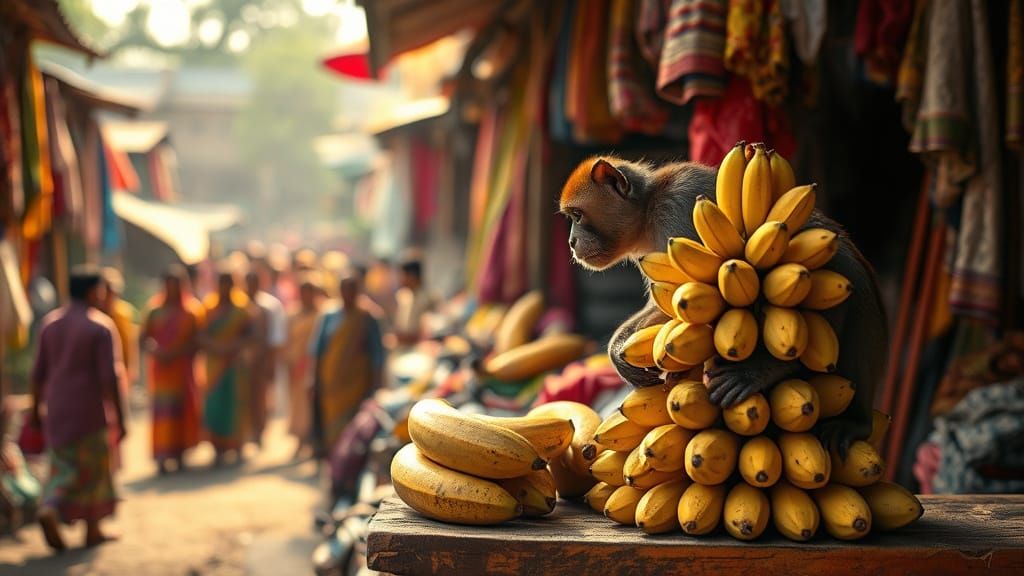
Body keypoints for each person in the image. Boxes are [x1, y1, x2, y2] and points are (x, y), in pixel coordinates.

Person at [31, 266, 126, 551]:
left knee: (63, 466)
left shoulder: (50, 324)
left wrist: (37, 409)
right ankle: (92, 529)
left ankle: (50, 505)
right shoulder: (99, 326)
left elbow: (38, 373)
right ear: (92, 291)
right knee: (93, 470)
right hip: (89, 410)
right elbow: (109, 377)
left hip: (58, 408)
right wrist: (121, 418)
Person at [310, 274, 384, 458]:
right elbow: (317, 350)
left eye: (353, 290)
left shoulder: (367, 318)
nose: (349, 294)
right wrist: (313, 378)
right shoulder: (328, 316)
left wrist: (375, 386)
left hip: (356, 385)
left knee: (352, 424)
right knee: (330, 423)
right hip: (331, 382)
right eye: (345, 289)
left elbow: (377, 355)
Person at [142, 265, 203, 474]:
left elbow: (197, 341)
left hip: (182, 371)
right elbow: (144, 338)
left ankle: (180, 452)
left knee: (182, 411)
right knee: (162, 413)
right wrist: (156, 351)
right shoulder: (154, 311)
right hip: (161, 373)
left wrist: (176, 352)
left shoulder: (192, 311)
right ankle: (161, 454)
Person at [200, 270, 252, 464]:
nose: (224, 287)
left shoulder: (242, 309)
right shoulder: (209, 309)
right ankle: (218, 447)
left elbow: (251, 335)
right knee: (215, 404)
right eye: (221, 283)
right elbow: (201, 334)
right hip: (214, 365)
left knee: (235, 404)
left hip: (235, 365)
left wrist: (232, 346)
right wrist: (216, 347)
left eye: (228, 283)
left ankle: (237, 445)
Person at [243, 271, 286, 448]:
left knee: (261, 398)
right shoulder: (239, 304)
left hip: (261, 361)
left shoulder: (270, 306)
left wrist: (270, 363)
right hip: (241, 363)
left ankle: (259, 432)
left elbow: (276, 339)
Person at [284, 276, 322, 458]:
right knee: (297, 406)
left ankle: (310, 442)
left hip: (313, 366)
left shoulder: (322, 314)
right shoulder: (292, 314)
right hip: (295, 367)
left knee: (311, 406)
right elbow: (287, 341)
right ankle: (300, 441)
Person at [101, 268, 139, 386]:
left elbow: (129, 343)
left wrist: (131, 369)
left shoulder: (123, 313)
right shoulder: (96, 314)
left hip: (119, 369)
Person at [393, 258, 434, 347]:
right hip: (402, 348)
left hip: (418, 350)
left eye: (403, 275)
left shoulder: (428, 299)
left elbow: (426, 332)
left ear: (412, 276)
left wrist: (404, 338)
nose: (400, 279)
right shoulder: (403, 296)